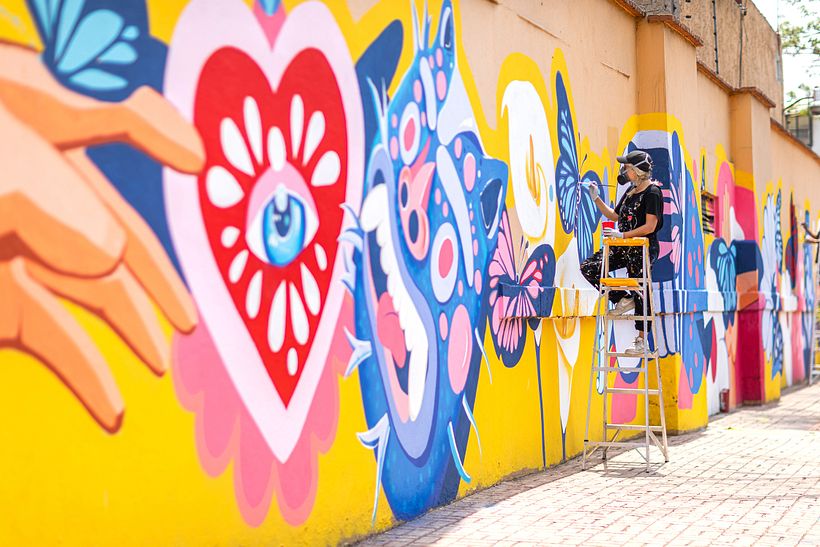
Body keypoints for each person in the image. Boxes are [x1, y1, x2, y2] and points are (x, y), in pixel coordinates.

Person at [580, 150, 664, 355]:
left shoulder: (652, 192)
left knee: (641, 288)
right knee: (590, 267)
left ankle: (641, 341)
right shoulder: (630, 192)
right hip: (623, 246)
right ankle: (621, 298)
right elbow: (614, 215)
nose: (624, 171)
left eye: (626, 167)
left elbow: (650, 226)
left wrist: (623, 235)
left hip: (642, 247)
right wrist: (596, 198)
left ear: (637, 170)